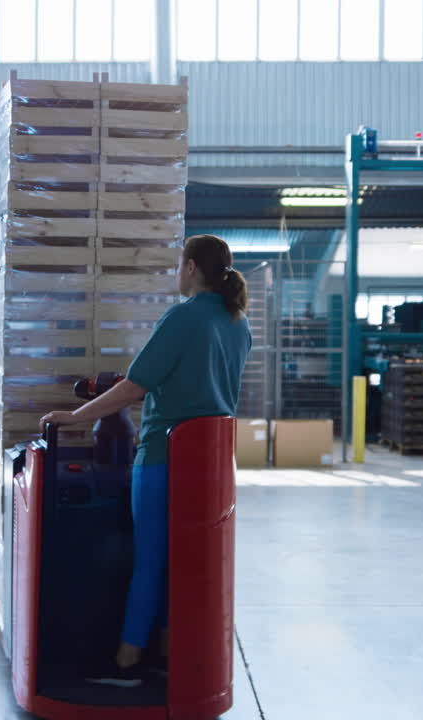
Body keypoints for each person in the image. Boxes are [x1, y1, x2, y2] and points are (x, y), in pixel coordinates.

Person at [39, 234, 252, 687]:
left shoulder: (183, 316)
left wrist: (75, 415)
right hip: (211, 464)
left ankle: (125, 663)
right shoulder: (238, 323)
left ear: (191, 267)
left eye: (180, 265)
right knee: (187, 561)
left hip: (162, 457)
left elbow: (136, 386)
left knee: (150, 560)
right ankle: (166, 652)